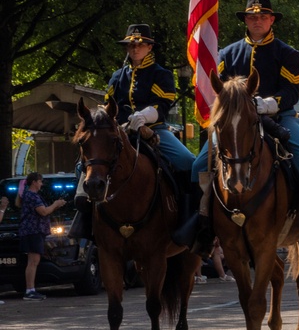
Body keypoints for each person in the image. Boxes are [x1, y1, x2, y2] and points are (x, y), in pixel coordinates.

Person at [180, 0, 299, 252]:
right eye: (252, 17)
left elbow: (293, 90)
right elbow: (219, 91)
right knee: (198, 165)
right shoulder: (227, 54)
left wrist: (271, 103)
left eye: (262, 17)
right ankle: (201, 223)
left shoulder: (288, 53)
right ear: (246, 21)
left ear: (272, 20)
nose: (257, 21)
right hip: (237, 123)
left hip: (280, 117)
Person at [73, 24, 196, 238]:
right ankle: (86, 221)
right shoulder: (117, 76)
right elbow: (108, 106)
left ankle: (190, 220)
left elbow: (163, 105)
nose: (135, 49)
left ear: (149, 47)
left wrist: (145, 116)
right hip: (120, 130)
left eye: (140, 45)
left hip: (154, 129)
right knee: (81, 166)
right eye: (131, 45)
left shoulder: (161, 74)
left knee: (187, 162)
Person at [18, 172, 66, 300]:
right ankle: (29, 291)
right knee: (33, 261)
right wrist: (56, 204)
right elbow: (44, 212)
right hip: (33, 231)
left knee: (34, 261)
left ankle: (31, 290)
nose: (41, 184)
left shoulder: (29, 195)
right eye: (40, 181)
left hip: (33, 232)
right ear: (34, 182)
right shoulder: (32, 196)